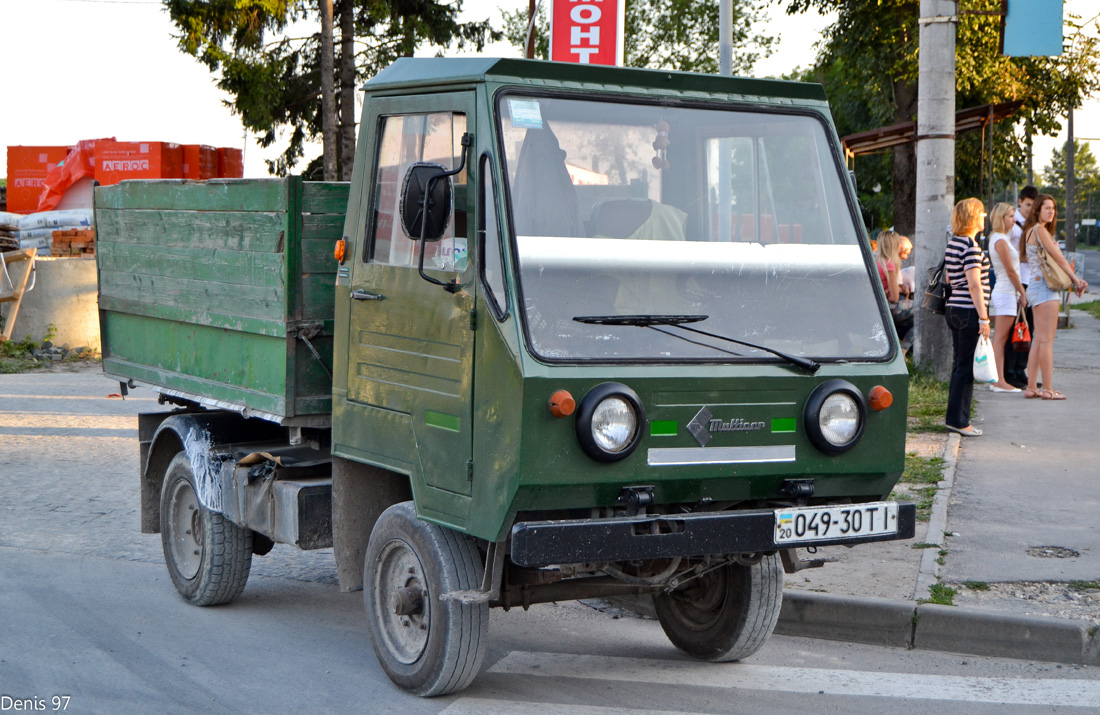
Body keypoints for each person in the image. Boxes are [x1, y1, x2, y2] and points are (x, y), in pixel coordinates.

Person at [1019, 194, 1089, 400]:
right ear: (1038, 210)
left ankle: (1032, 387)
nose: (1051, 212)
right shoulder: (1040, 230)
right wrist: (1076, 279)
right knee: (1047, 341)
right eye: (1047, 208)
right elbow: (1059, 258)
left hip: (1036, 284)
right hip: (1044, 288)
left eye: (1053, 208)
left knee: (1039, 340)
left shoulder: (1030, 231)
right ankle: (1048, 389)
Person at [944, 198, 991, 436]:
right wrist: (984, 318)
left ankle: (955, 418)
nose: (985, 218)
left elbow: (951, 280)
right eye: (982, 214)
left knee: (960, 365)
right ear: (973, 216)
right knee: (965, 368)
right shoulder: (971, 247)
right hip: (968, 311)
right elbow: (974, 284)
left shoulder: (954, 244)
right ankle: (960, 422)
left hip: (954, 309)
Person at [986, 202, 1028, 393]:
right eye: (1010, 216)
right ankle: (998, 380)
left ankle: (998, 379)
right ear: (1001, 218)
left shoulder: (1001, 238)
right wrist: (1022, 291)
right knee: (1000, 338)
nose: (1014, 219)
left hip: (1006, 291)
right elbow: (1010, 270)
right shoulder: (1000, 240)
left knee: (1001, 338)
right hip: (1005, 290)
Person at [1002, 185, 1038, 389]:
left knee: (1028, 327)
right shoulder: (1012, 225)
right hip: (1017, 281)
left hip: (1030, 279)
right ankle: (1009, 372)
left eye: (1033, 206)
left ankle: (1020, 370)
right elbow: (1012, 255)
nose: (1030, 209)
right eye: (1027, 205)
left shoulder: (1032, 223)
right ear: (1020, 202)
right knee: (1015, 327)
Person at [874, 230, 914, 352]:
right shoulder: (889, 264)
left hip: (875, 307)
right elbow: (895, 297)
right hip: (888, 308)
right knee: (922, 312)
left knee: (913, 321)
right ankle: (903, 351)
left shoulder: (875, 262)